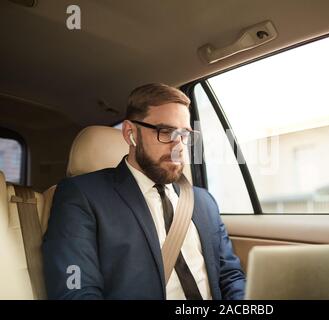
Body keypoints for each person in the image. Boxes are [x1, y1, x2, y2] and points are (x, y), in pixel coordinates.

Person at [42, 83, 246, 299]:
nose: (178, 147)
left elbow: (231, 276)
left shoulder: (203, 201)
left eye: (184, 134)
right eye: (165, 132)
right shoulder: (81, 196)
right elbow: (75, 289)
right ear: (131, 133)